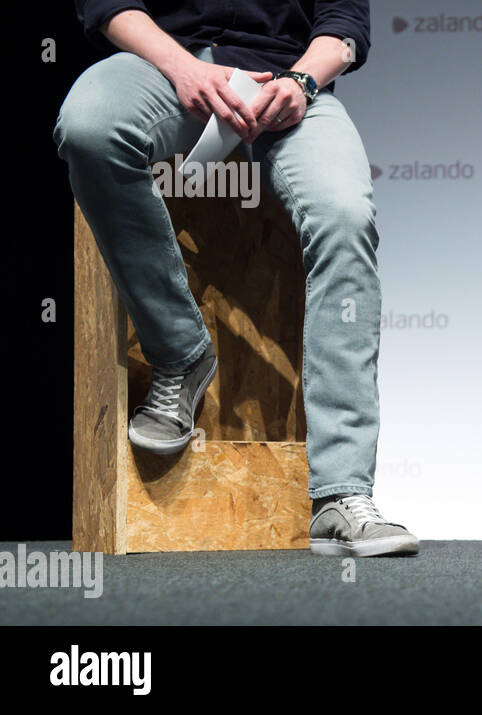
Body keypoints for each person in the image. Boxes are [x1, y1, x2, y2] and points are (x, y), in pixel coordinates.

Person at [56, 1, 418, 557]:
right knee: (90, 127)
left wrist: (301, 81)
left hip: (284, 83)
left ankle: (342, 494)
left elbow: (344, 23)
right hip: (162, 68)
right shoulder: (171, 66)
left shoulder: (296, 79)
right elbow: (107, 4)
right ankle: (180, 352)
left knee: (344, 216)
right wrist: (184, 68)